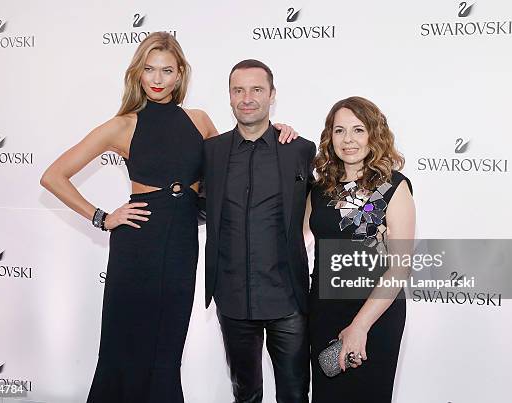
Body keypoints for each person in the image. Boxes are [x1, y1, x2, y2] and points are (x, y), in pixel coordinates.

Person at [39, 33, 297, 403]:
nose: (157, 79)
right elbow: (53, 176)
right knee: (123, 346)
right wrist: (102, 217)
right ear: (138, 75)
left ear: (179, 76)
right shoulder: (122, 125)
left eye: (167, 71)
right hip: (137, 243)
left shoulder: (198, 120)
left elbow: (239, 154)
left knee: (166, 348)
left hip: (180, 244)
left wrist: (277, 131)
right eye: (149, 69)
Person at [202, 59, 316, 403]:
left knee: (295, 395)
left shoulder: (299, 149)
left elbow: (326, 203)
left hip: (288, 298)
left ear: (272, 95)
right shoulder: (212, 151)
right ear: (230, 96)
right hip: (233, 298)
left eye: (256, 90)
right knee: (245, 394)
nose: (247, 98)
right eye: (239, 90)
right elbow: (191, 203)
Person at [305, 96, 416, 403]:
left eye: (358, 130)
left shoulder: (394, 186)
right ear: (330, 137)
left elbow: (399, 267)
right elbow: (294, 240)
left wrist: (360, 325)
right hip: (324, 310)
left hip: (375, 313)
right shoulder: (318, 189)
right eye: (339, 131)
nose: (348, 139)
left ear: (373, 135)